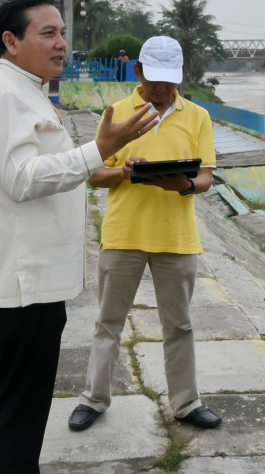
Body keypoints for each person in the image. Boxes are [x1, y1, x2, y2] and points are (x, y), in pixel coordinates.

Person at [0, 0, 158, 474]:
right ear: (11, 41)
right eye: (47, 33)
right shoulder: (4, 93)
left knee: (21, 409)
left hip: (32, 280)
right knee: (15, 410)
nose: (62, 44)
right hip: (20, 283)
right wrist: (99, 150)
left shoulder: (26, 89)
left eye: (63, 32)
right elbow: (22, 178)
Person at [68, 35, 220, 432]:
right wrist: (124, 172)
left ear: (181, 76)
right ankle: (94, 398)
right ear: (137, 71)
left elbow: (205, 175)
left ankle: (186, 402)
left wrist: (182, 185)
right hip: (123, 235)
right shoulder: (117, 113)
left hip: (177, 237)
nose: (162, 89)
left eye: (170, 80)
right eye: (154, 79)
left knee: (180, 325)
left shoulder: (198, 116)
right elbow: (94, 173)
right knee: (108, 321)